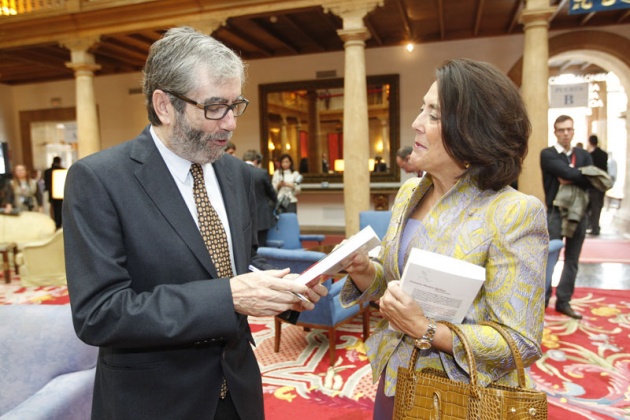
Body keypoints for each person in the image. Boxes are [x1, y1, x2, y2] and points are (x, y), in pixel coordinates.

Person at [62, 26, 326, 420]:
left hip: (238, 391)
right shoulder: (99, 180)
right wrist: (228, 297)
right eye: (215, 107)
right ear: (165, 105)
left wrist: (284, 293)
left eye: (236, 105)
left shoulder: (236, 174)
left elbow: (233, 267)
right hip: (155, 401)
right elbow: (100, 313)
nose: (230, 123)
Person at [339, 58, 548, 420]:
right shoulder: (409, 194)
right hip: (395, 377)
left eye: (433, 115)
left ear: (472, 131)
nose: (416, 123)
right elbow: (394, 286)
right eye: (422, 109)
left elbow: (520, 341)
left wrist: (426, 330)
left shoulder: (513, 212)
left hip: (458, 397)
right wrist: (362, 271)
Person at [541, 115, 593, 319]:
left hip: (579, 213)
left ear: (573, 131)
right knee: (550, 259)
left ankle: (564, 301)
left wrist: (570, 176)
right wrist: (579, 175)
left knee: (572, 260)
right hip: (555, 212)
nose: (565, 133)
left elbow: (593, 180)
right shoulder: (547, 154)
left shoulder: (583, 155)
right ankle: (542, 301)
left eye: (568, 129)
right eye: (561, 130)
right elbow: (580, 176)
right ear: (555, 132)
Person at [242, 149, 277, 246]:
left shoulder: (236, 172)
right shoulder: (262, 173)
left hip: (243, 217)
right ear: (256, 161)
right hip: (261, 216)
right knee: (261, 246)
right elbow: (271, 193)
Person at [586, 134, 608, 235]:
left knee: (594, 206)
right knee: (598, 206)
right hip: (602, 185)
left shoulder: (591, 155)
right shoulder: (604, 154)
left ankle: (594, 227)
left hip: (594, 185)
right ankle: (595, 226)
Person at [43, 156, 64, 228]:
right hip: (61, 193)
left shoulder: (47, 171)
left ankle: (55, 222)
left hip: (51, 193)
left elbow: (46, 184)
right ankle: (59, 222)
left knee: (54, 208)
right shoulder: (62, 170)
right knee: (60, 208)